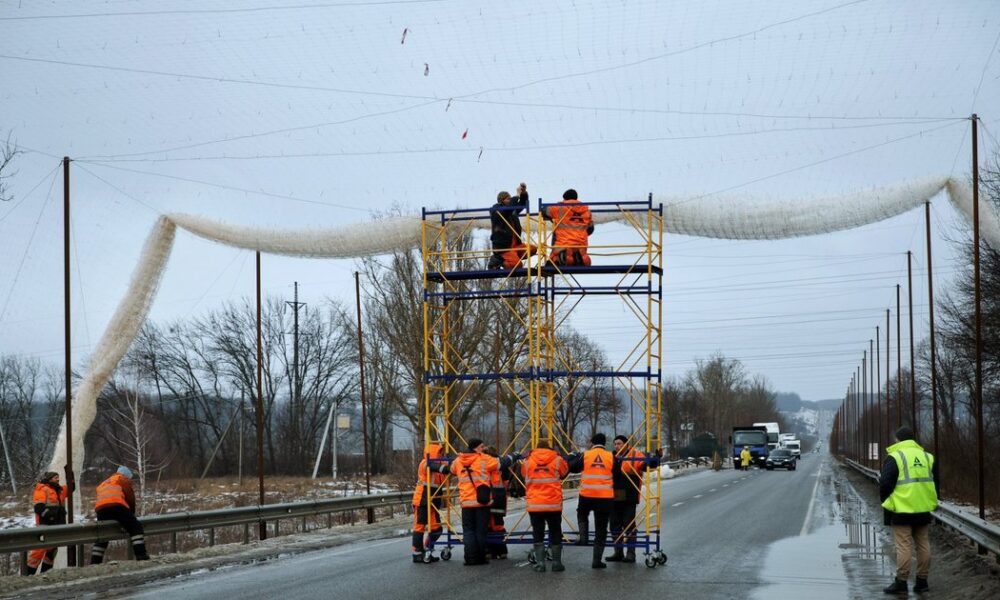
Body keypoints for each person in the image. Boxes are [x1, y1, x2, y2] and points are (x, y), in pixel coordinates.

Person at [880, 425, 938, 595]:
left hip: (902, 509)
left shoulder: (895, 457)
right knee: (923, 544)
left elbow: (885, 484)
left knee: (903, 546)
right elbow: (935, 483)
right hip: (923, 508)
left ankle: (901, 582)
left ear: (898, 439)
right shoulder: (927, 457)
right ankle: (922, 581)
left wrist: (887, 502)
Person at [449, 438, 517, 566]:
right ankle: (481, 557)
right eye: (481, 446)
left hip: (466, 502)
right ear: (475, 448)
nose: (483, 448)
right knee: (481, 531)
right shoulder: (483, 459)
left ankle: (470, 558)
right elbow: (501, 463)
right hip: (482, 501)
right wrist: (513, 456)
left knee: (468, 532)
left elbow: (451, 469)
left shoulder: (458, 461)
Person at [607, 435, 660, 563]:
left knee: (628, 525)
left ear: (626, 444)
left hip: (629, 497)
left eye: (619, 443)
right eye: (615, 444)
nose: (616, 446)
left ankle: (631, 554)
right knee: (614, 525)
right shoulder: (611, 457)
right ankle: (618, 552)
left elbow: (646, 466)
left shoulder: (635, 454)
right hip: (613, 497)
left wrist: (656, 459)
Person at [567, 432, 614, 568]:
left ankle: (584, 537)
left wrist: (571, 457)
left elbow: (574, 467)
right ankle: (596, 561)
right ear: (605, 443)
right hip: (605, 497)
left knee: (582, 513)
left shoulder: (586, 455)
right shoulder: (610, 456)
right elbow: (617, 473)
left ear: (592, 443)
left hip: (587, 495)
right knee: (601, 528)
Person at [522, 441, 570, 573]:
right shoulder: (557, 459)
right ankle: (556, 563)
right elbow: (564, 472)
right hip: (553, 504)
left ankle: (540, 564)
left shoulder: (527, 461)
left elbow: (523, 474)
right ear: (549, 448)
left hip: (535, 504)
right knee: (555, 532)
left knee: (538, 532)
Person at [90, 466, 149, 564]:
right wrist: (131, 516)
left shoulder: (105, 482)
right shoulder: (123, 480)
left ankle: (95, 562)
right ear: (126, 475)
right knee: (136, 527)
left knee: (103, 535)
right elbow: (130, 499)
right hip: (116, 505)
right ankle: (141, 555)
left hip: (101, 509)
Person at [411, 443, 449, 564]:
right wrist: (446, 467)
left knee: (437, 529)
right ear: (433, 453)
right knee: (420, 527)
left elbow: (447, 468)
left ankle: (427, 550)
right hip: (422, 499)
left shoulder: (440, 464)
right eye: (439, 453)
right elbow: (432, 466)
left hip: (433, 501)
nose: (441, 455)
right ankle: (417, 553)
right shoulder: (425, 463)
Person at [26, 471, 69, 574]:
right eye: (55, 478)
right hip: (45, 525)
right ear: (49, 479)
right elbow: (38, 507)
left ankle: (45, 575)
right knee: (39, 551)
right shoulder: (42, 489)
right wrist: (50, 516)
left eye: (58, 477)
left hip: (56, 525)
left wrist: (70, 475)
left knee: (52, 550)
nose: (58, 479)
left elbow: (71, 488)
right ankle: (28, 575)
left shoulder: (59, 490)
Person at [542, 189, 594, 266]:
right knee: (581, 254)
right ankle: (580, 257)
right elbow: (590, 229)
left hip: (563, 246)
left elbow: (544, 210)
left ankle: (565, 257)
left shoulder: (560, 207)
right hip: (581, 246)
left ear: (565, 198)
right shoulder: (586, 211)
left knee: (553, 260)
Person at [488, 183, 534, 270]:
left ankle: (513, 258)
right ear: (502, 200)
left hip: (515, 246)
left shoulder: (511, 211)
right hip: (504, 248)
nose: (510, 200)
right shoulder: (496, 209)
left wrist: (523, 193)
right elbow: (508, 208)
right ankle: (499, 260)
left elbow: (521, 204)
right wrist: (516, 195)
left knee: (532, 249)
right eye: (508, 199)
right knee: (518, 266)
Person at [483, 446, 509, 559]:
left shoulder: (482, 463)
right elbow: (506, 481)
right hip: (499, 497)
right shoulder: (502, 464)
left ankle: (489, 550)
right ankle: (501, 550)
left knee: (486, 524)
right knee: (498, 524)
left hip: (485, 497)